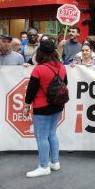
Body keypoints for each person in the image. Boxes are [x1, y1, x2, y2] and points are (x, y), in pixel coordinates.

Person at [23, 39, 67, 178]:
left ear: (40, 53)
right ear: (54, 52)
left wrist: (26, 105)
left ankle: (43, 166)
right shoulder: (62, 66)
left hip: (42, 107)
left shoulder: (39, 69)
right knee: (52, 134)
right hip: (58, 105)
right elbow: (64, 83)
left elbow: (31, 90)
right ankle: (55, 162)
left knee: (41, 137)